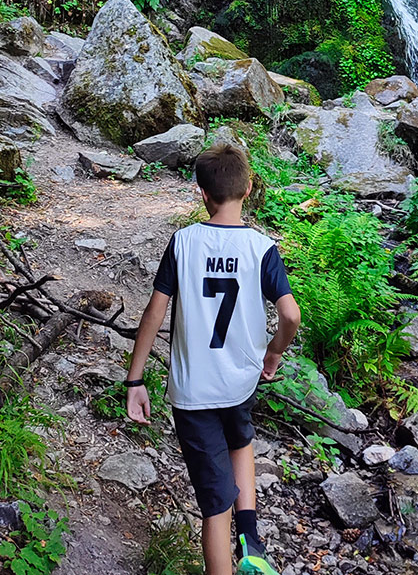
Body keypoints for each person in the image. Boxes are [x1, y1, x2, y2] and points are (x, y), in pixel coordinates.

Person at [125, 143, 301, 575]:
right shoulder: (262, 248)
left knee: (214, 505)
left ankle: (236, 549)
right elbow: (291, 314)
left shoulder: (184, 242)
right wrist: (274, 352)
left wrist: (136, 381)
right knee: (241, 441)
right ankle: (252, 542)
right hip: (240, 379)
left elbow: (154, 312)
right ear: (249, 188)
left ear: (202, 193)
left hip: (194, 390)